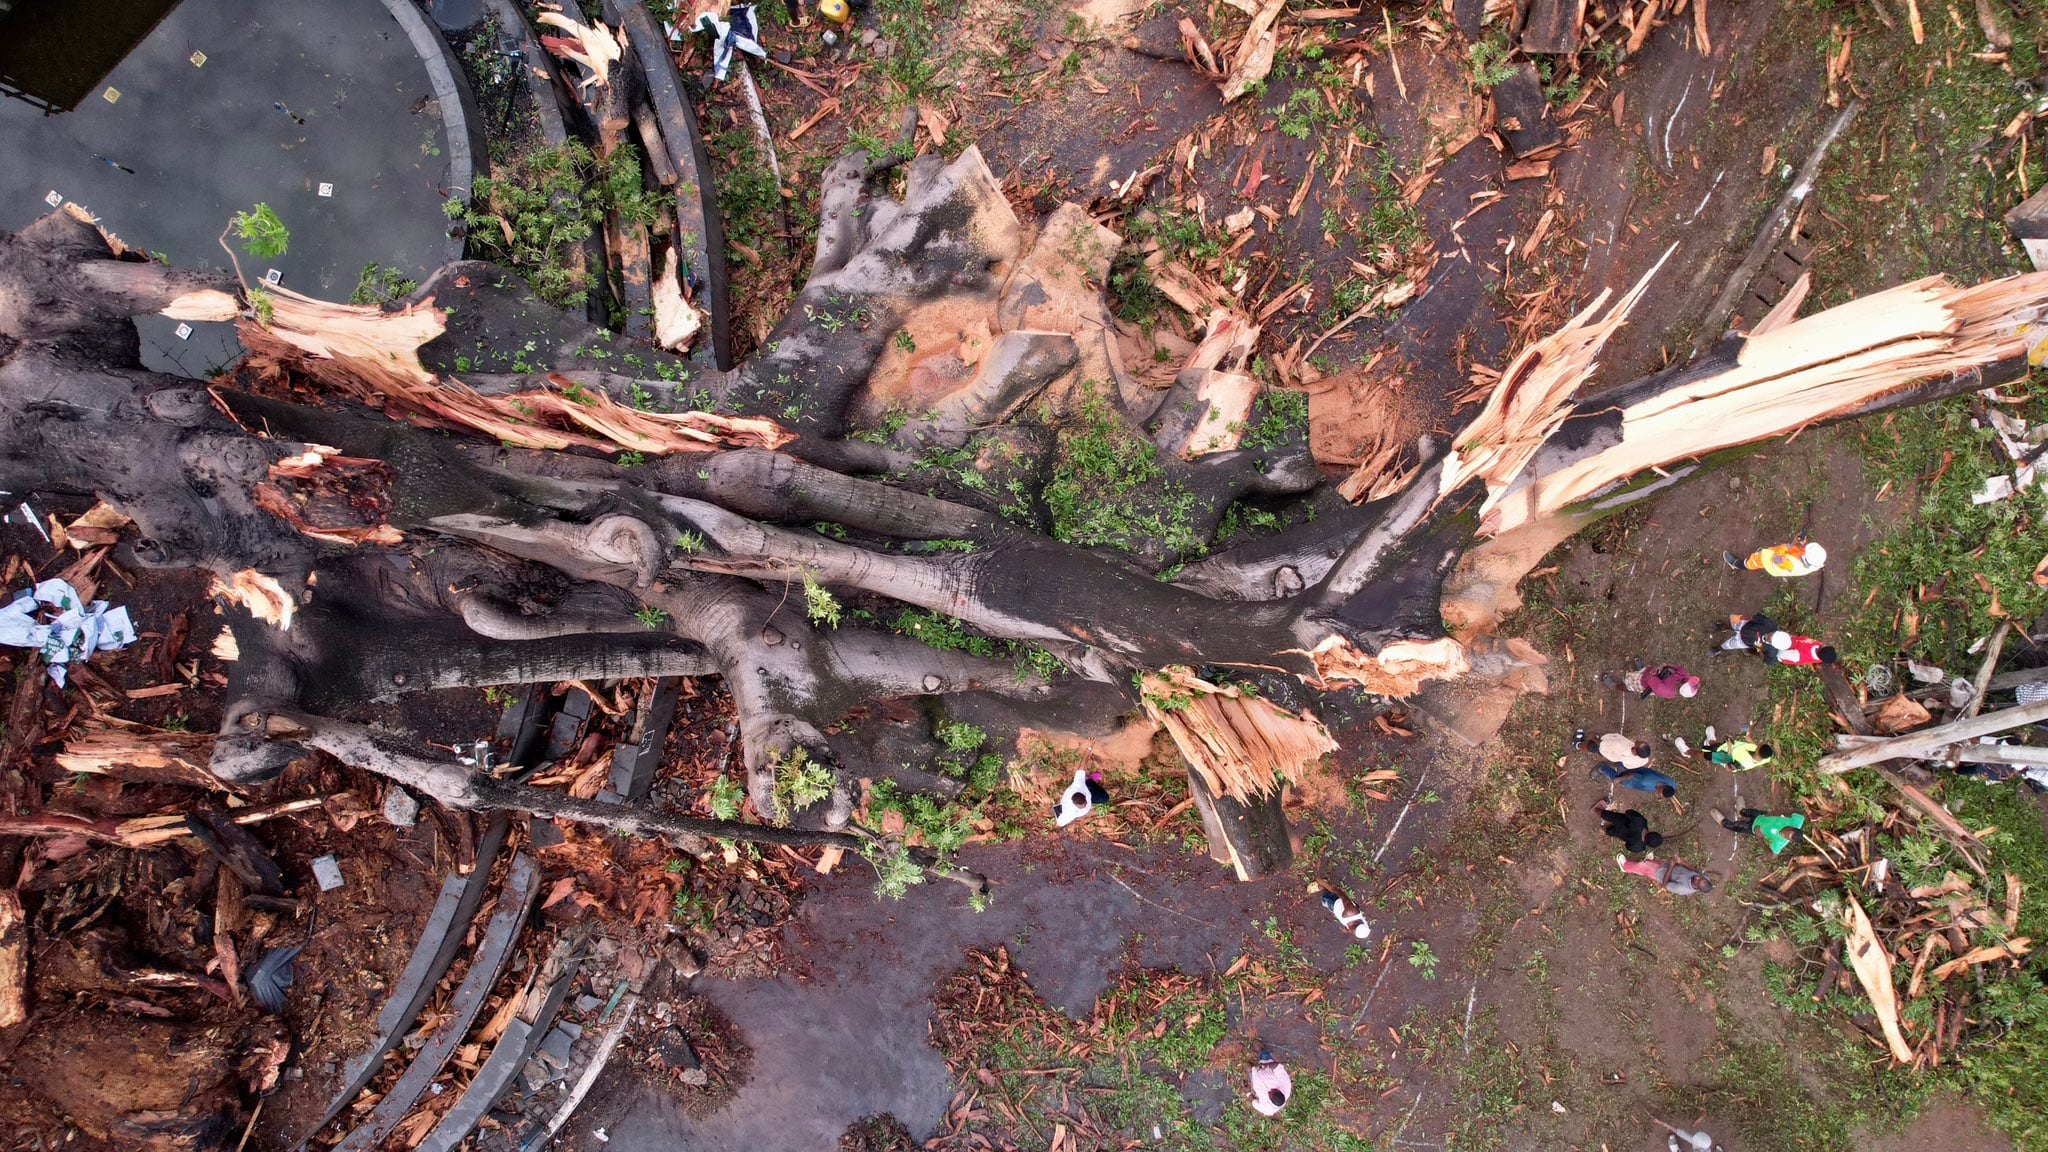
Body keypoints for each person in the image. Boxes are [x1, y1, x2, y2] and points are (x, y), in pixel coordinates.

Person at [1725, 533, 1827, 577]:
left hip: (1770, 561)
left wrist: (1786, 546)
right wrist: (1799, 543)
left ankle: (1736, 564)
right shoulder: (1813, 563)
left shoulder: (1790, 564)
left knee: (1754, 561)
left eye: (1806, 548)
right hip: (1783, 556)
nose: (1805, 546)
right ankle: (1759, 554)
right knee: (1764, 552)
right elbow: (1799, 552)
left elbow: (1776, 559)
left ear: (1805, 557)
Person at [1712, 807, 1805, 854]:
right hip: (1762, 816)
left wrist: (1760, 838)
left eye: (1786, 836)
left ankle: (1723, 821)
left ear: (1789, 840)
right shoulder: (1797, 821)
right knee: (1744, 811)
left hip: (1753, 828)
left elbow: (1772, 856)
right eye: (1787, 830)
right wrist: (1781, 812)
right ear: (1792, 827)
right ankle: (1741, 810)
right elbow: (1802, 813)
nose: (1783, 833)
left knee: (1734, 826)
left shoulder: (1780, 843)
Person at [1617, 854, 1713, 895]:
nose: (1696, 877)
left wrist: (1671, 866)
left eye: (1697, 880)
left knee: (1643, 867)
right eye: (1699, 877)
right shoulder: (1704, 878)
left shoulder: (1682, 889)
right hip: (1667, 866)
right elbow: (1696, 871)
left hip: (1659, 873)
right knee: (1653, 863)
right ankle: (1648, 861)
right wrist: (1681, 862)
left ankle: (1625, 866)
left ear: (1697, 887)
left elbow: (1665, 885)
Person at [1594, 800, 1663, 854]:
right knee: (1607, 830)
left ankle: (1595, 809)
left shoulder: (1641, 821)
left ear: (1652, 832)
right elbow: (1628, 846)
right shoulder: (1639, 847)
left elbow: (1629, 812)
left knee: (1607, 815)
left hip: (1619, 819)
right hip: (1618, 833)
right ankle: (1601, 827)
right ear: (1648, 844)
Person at [1603, 661, 1700, 699]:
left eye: (1686, 681)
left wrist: (1656, 671)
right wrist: (1663, 665)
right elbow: (1677, 667)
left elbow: (1650, 679)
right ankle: (1641, 669)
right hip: (1652, 673)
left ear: (1681, 685)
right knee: (1646, 669)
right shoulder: (1686, 676)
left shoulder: (1665, 690)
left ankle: (1614, 686)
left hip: (1644, 682)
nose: (1687, 678)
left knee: (1630, 685)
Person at [1574, 728, 1650, 769]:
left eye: (1638, 742)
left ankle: (1577, 744)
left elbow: (1602, 745)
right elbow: (1627, 766)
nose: (1638, 740)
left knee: (1591, 746)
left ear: (1635, 750)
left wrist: (1593, 737)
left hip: (1605, 748)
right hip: (1615, 756)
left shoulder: (1620, 746)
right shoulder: (1644, 759)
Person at [1249, 1048, 1292, 1116]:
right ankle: (1258, 1047)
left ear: (1270, 1101)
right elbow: (1278, 1066)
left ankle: (1250, 1066)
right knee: (1262, 1052)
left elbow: (1254, 1103)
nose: (1269, 1091)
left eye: (1270, 1094)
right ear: (1280, 1091)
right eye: (1273, 1090)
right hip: (1265, 1067)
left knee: (1247, 1067)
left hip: (1255, 1078)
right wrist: (1266, 1066)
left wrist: (1248, 1093)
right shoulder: (1285, 1085)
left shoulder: (1267, 1109)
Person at [1711, 612, 1777, 655]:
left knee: (1730, 645)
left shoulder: (1771, 650)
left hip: (1745, 642)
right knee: (1733, 625)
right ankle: (1722, 627)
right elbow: (1752, 617)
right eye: (1771, 634)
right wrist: (1739, 618)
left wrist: (1757, 649)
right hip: (1745, 626)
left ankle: (1718, 649)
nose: (1768, 636)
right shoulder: (1768, 623)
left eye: (1770, 639)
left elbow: (1762, 656)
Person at [1599, 764, 1677, 798]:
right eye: (1659, 793)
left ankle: (1620, 764)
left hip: (1642, 773)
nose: (1657, 794)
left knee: (1625, 767)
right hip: (1632, 780)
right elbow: (1632, 775)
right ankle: (1603, 768)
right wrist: (1620, 779)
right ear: (1663, 786)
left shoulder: (1672, 784)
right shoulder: (1646, 780)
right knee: (1616, 778)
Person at [1765, 631, 1836, 666]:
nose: (1824, 643)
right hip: (1790, 641)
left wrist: (1775, 642)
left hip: (1781, 651)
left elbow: (1781, 654)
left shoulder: (1799, 655)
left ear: (1821, 649)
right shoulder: (1818, 646)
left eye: (1825, 646)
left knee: (1768, 645)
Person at [1704, 735, 1773, 771]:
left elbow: (1728, 768)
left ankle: (1708, 742)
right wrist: (1750, 740)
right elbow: (1757, 748)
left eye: (1759, 746)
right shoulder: (1766, 758)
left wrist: (1729, 746)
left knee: (1712, 748)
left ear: (1758, 750)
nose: (1757, 745)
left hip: (1723, 753)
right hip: (1731, 747)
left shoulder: (1742, 763)